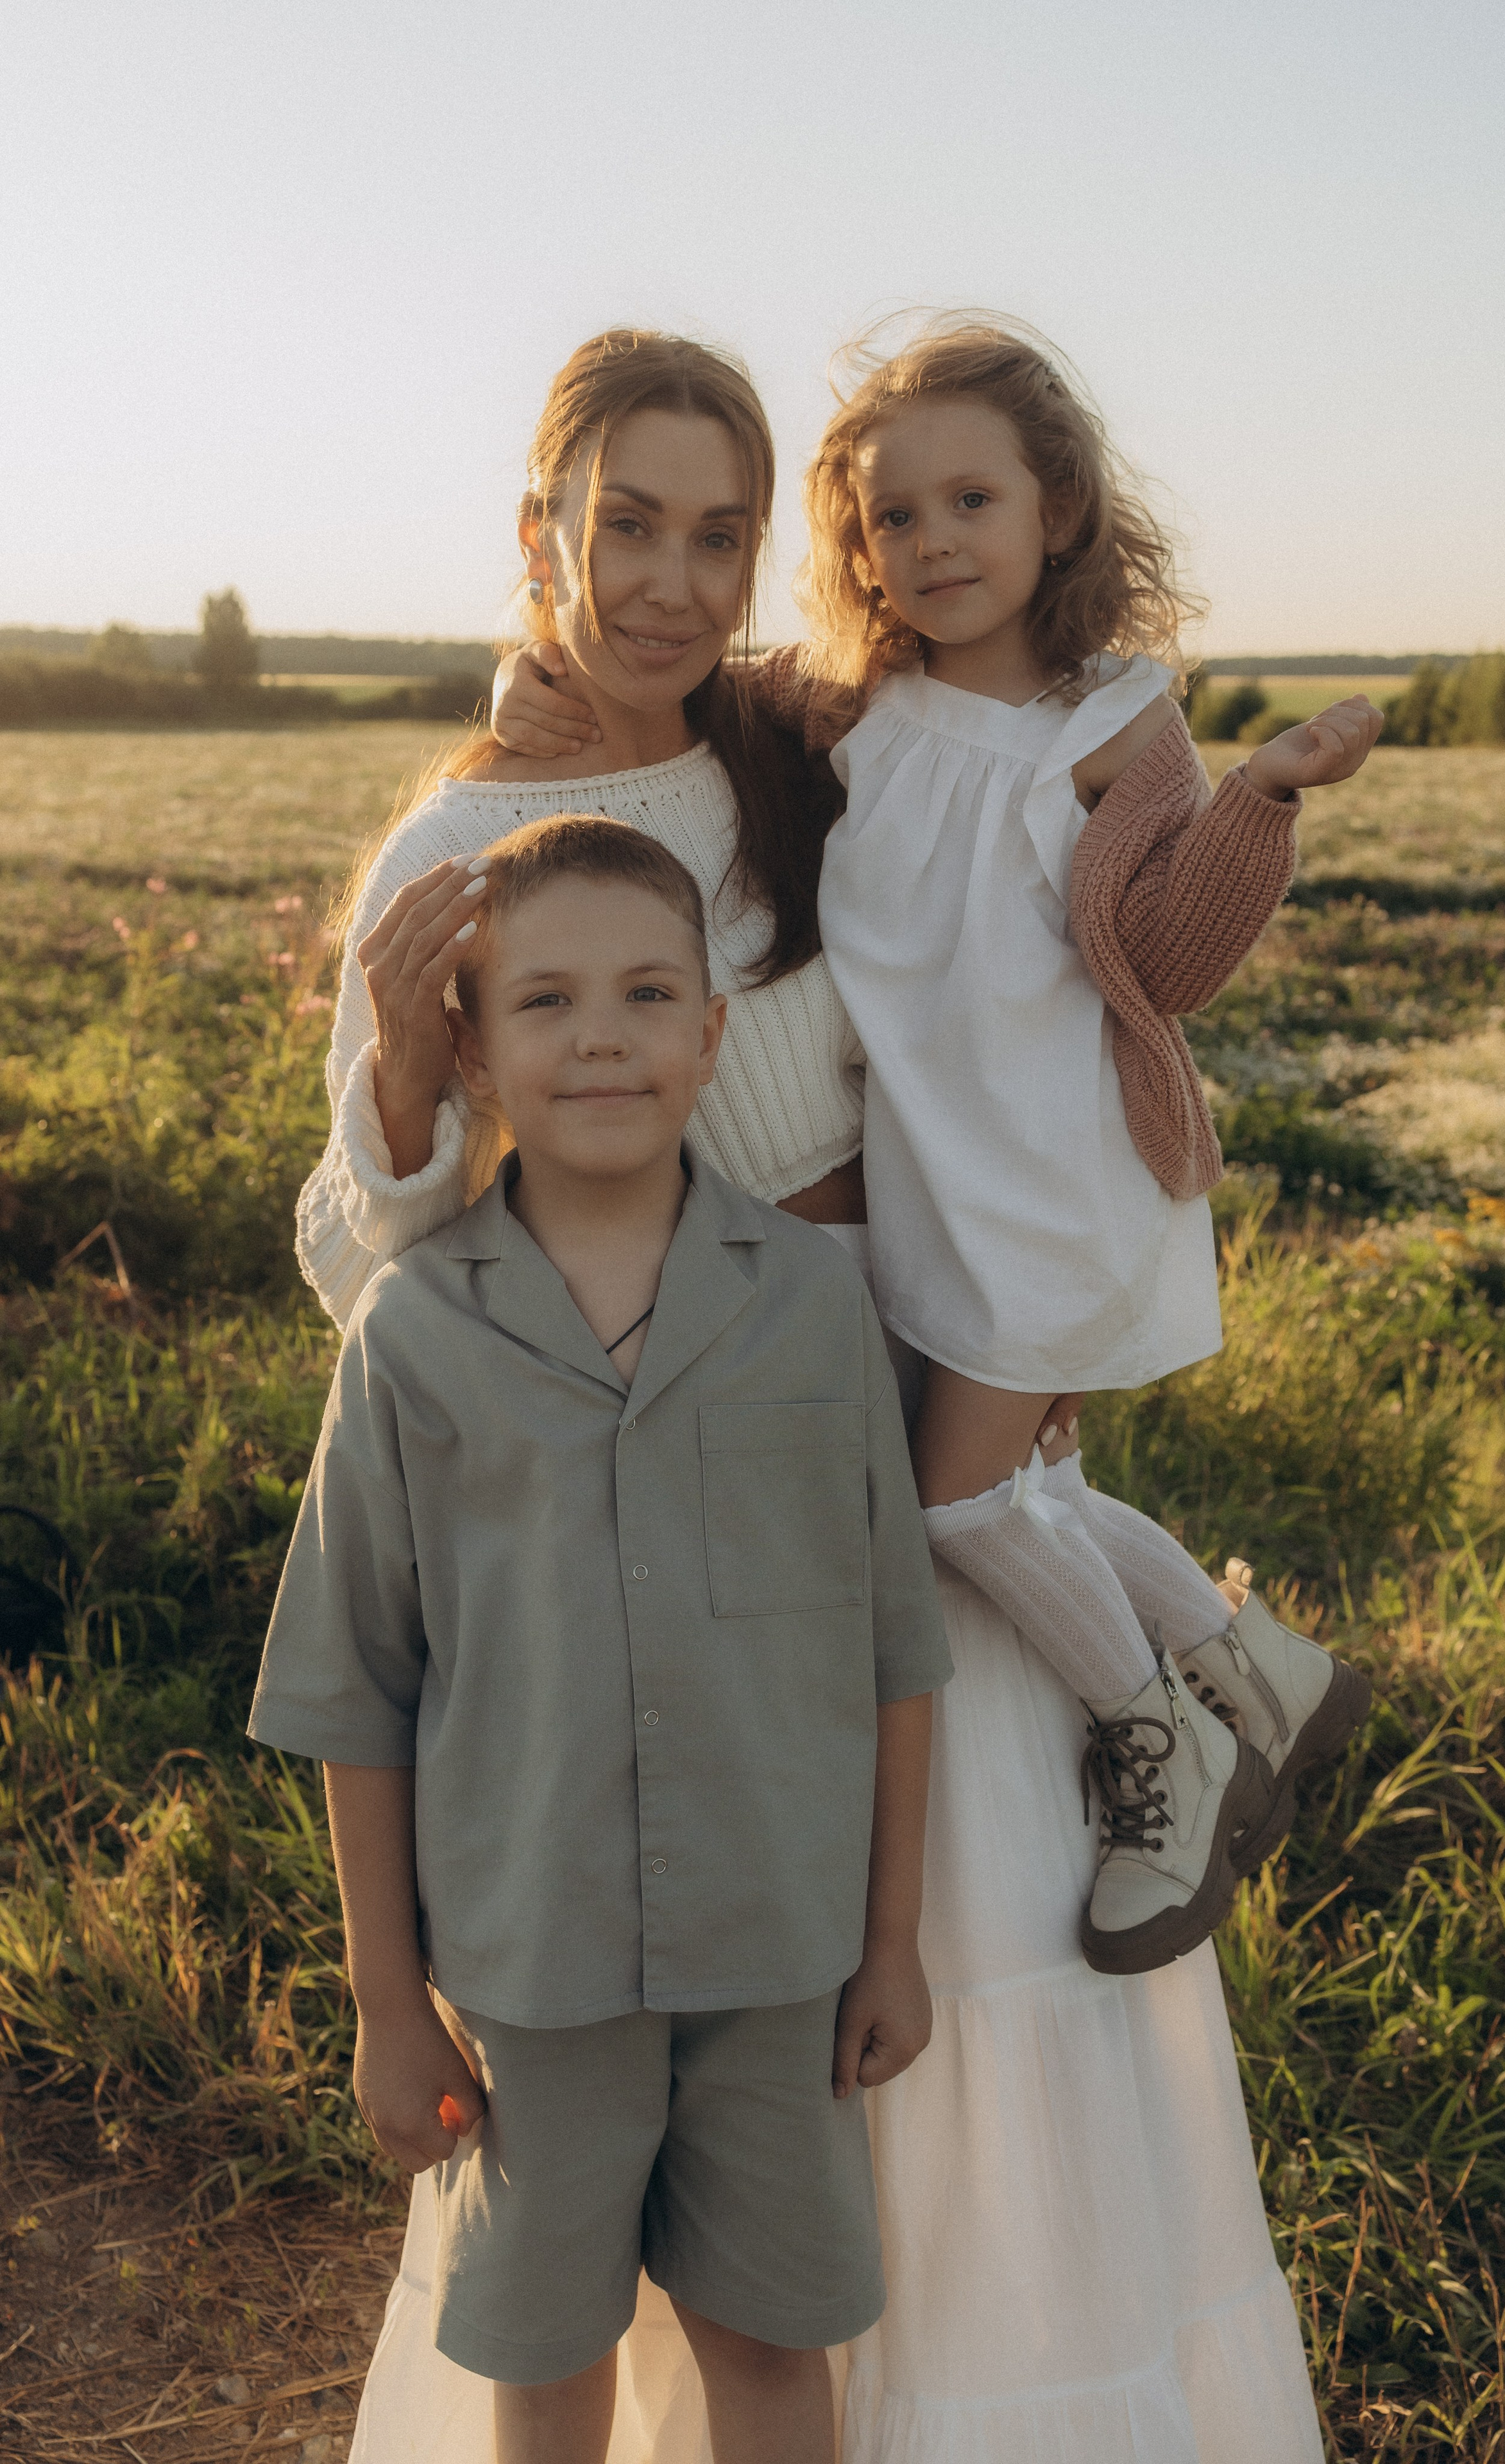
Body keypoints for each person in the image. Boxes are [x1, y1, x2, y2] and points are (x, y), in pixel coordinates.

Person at [316, 323, 1328, 2459]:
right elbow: (371, 1256)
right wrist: (408, 1087)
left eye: (721, 536)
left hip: (908, 1354)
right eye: (631, 530)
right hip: (663, 1449)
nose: (676, 582)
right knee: (713, 1996)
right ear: (542, 536)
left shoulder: (802, 746)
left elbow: (1009, 990)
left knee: (961, 1928)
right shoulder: (449, 854)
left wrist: (1018, 1325)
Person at [498, 318, 1380, 1980]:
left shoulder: (1113, 727)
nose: (934, 543)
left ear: (1058, 511)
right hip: (935, 1186)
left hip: (1052, 1182)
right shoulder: (860, 709)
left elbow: (1175, 954)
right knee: (1004, 1491)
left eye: (973, 500)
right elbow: (666, 686)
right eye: (895, 518)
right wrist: (524, 675)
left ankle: (1165, 1735)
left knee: (950, 1515)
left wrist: (1260, 800)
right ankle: (1253, 1658)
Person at [254, 819, 952, 2464]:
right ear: (475, 1049)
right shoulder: (415, 1341)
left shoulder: (810, 1303)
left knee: (772, 2340)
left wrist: (893, 1937)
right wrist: (384, 2001)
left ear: (711, 1038)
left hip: (778, 1952)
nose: (599, 1037)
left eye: (646, 994)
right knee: (545, 2355)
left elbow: (891, 1644)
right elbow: (358, 1686)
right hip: (533, 1970)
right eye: (546, 1001)